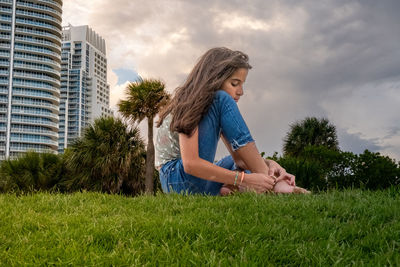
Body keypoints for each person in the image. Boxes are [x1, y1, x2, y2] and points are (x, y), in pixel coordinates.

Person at [155, 47, 309, 195]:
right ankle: (271, 186)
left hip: (195, 181)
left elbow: (240, 159)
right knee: (221, 98)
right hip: (177, 179)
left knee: (236, 162)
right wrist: (245, 179)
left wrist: (271, 165)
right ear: (214, 80)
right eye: (234, 84)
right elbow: (191, 164)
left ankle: (233, 188)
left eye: (242, 84)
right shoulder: (190, 103)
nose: (240, 91)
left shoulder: (211, 113)